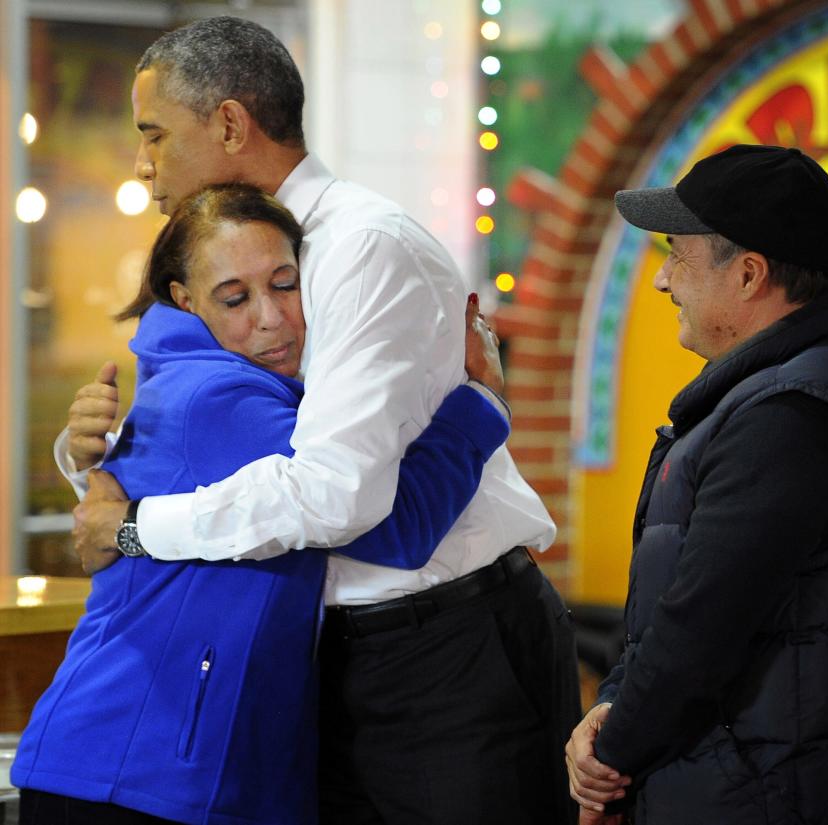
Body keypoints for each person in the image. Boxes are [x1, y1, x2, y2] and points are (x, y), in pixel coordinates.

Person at [60, 17, 579, 825]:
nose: (143, 164)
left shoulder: (362, 246)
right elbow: (197, 433)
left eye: (155, 134)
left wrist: (132, 525)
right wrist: (88, 449)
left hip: (445, 647)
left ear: (230, 123)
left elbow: (342, 500)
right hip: (321, 649)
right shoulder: (234, 257)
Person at [13, 184, 511, 825]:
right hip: (135, 771)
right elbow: (398, 530)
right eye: (235, 297)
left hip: (145, 763)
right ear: (184, 301)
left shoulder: (200, 381)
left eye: (285, 284)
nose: (271, 317)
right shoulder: (222, 398)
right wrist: (482, 403)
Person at [564, 145, 828, 825]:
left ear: (747, 274)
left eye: (677, 255)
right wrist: (614, 706)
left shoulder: (790, 417)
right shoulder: (825, 380)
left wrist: (609, 759)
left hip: (772, 794)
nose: (663, 282)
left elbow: (698, 629)